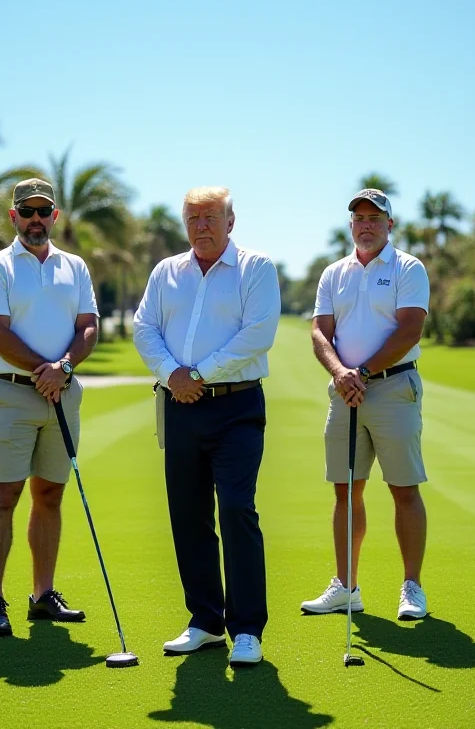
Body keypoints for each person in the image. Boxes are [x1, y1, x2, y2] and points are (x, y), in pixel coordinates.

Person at [133, 186, 281, 666]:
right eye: (193, 217)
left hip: (236, 407)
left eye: (211, 217)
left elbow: (258, 334)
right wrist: (172, 376)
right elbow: (145, 327)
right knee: (189, 515)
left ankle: (246, 630)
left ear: (231, 221)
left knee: (237, 510)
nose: (201, 226)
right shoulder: (165, 272)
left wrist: (198, 374)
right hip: (179, 406)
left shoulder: (255, 268)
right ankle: (204, 622)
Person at [0, 178, 99, 636]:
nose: (35, 220)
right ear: (13, 217)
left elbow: (88, 327)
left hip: (62, 394)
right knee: (3, 496)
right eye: (26, 211)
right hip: (11, 392)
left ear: (55, 216)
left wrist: (62, 368)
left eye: (43, 211)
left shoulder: (75, 267)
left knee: (50, 494)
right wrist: (45, 369)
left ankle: (43, 595)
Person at [301, 189, 430, 620]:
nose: (367, 223)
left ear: (390, 224)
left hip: (392, 388)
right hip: (345, 391)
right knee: (345, 490)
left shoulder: (407, 268)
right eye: (359, 217)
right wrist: (342, 374)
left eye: (376, 217)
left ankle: (412, 587)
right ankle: (347, 587)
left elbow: (409, 330)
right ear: (350, 224)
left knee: (403, 488)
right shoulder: (334, 273)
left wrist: (365, 373)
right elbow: (321, 331)